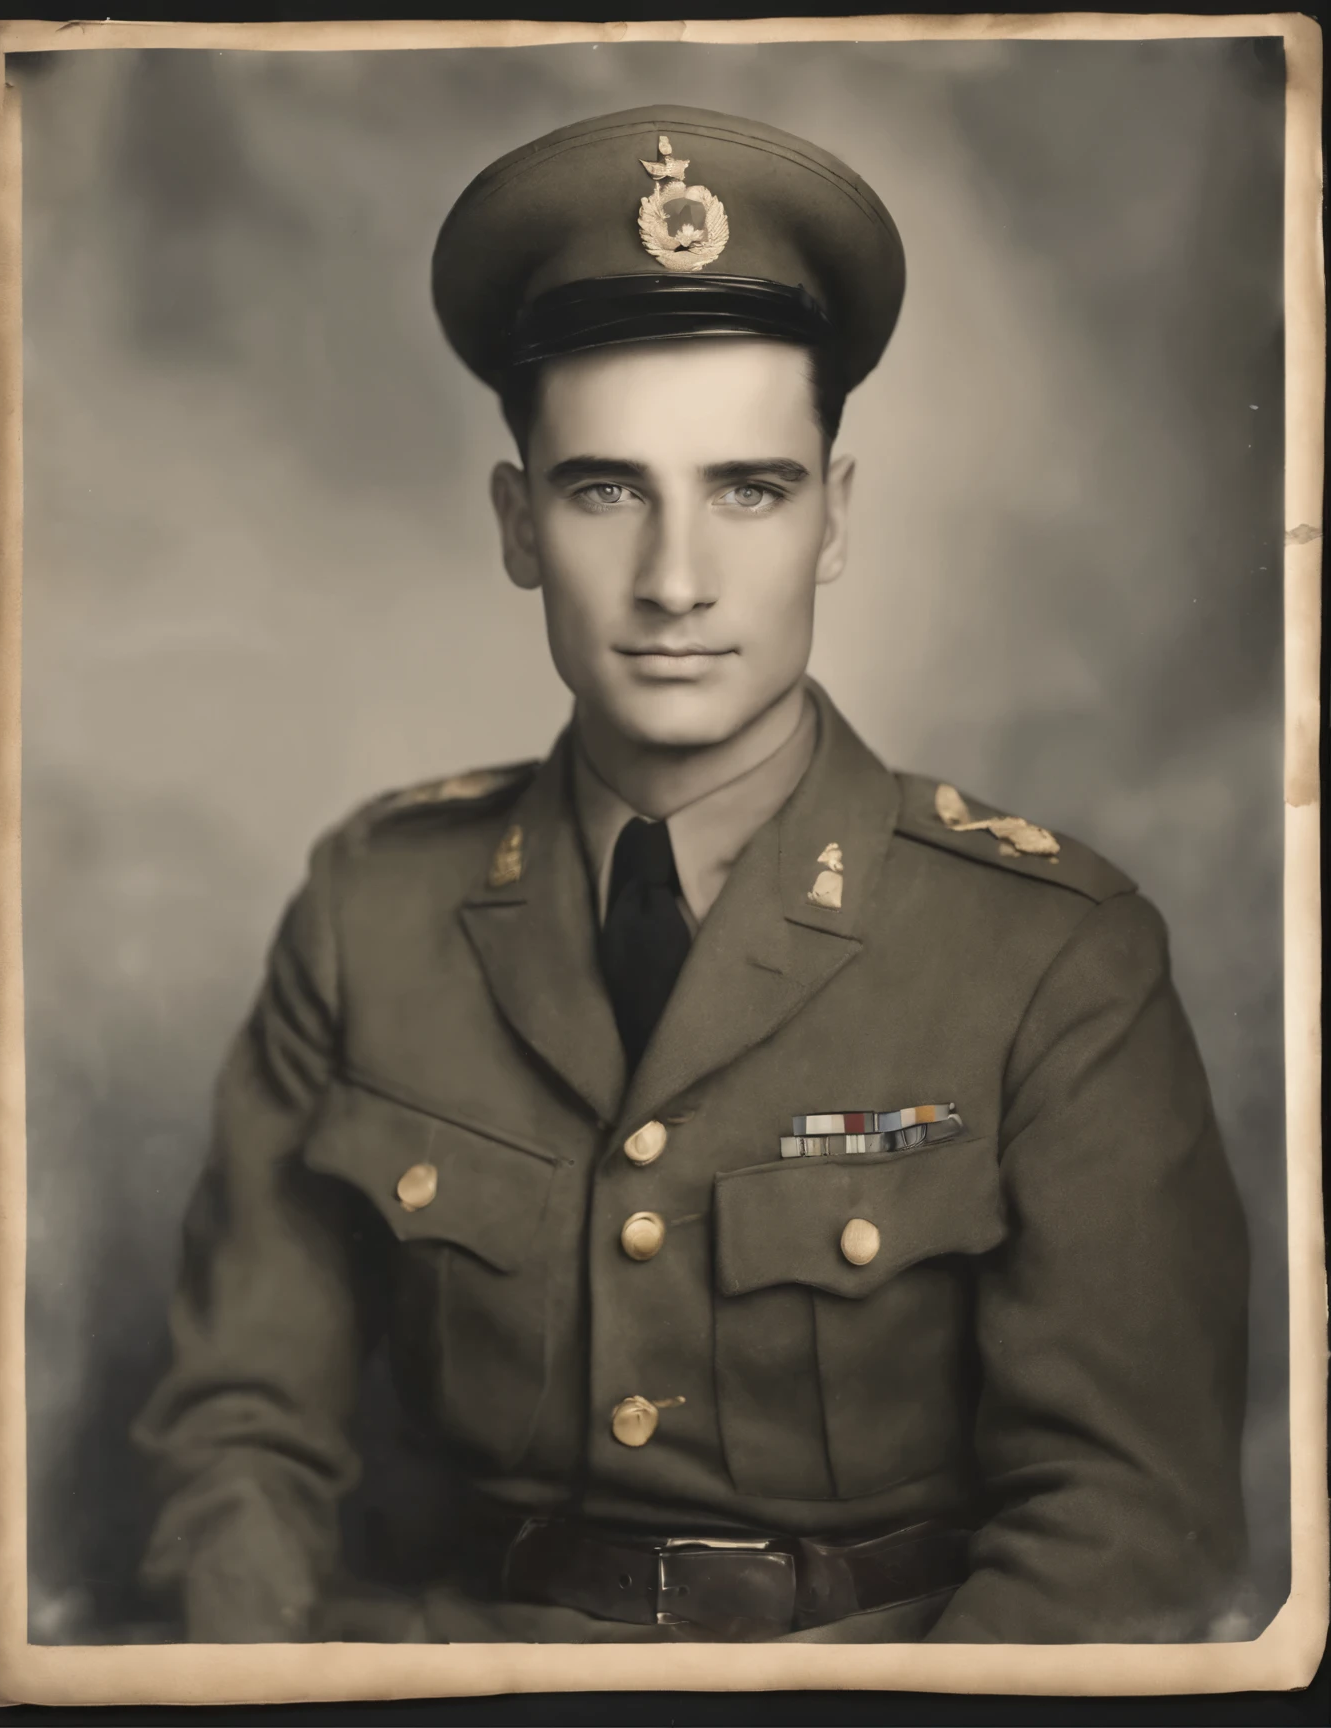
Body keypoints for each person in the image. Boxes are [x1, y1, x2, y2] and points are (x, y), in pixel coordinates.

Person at [132, 105, 1249, 1645]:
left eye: (747, 488)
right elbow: (237, 1437)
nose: (674, 580)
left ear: (833, 517)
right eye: (605, 491)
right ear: (519, 525)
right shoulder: (371, 910)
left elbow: (1128, 1529)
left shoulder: (1050, 955)